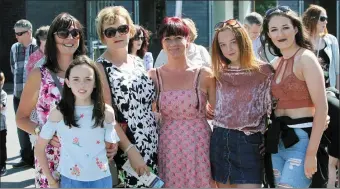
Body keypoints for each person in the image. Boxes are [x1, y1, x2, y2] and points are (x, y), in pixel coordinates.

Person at [16, 13, 116, 188]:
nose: (70, 37)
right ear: (53, 37)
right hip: (52, 160)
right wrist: (42, 131)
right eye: (63, 33)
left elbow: (104, 111)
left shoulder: (91, 71)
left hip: (89, 164)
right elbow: (21, 118)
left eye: (75, 33)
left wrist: (110, 141)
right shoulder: (39, 74)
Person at [261, 6, 328, 188]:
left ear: (296, 29)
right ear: (269, 34)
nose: (280, 33)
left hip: (302, 141)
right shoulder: (275, 63)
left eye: (285, 27)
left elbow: (322, 108)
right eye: (274, 29)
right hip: (278, 141)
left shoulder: (306, 59)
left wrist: (311, 154)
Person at [147, 17, 216, 188]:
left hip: (199, 142)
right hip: (168, 144)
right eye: (167, 39)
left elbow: (219, 113)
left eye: (178, 37)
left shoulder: (204, 74)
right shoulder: (153, 76)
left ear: (188, 39)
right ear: (162, 43)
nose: (173, 43)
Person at [35, 55, 121, 188]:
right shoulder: (58, 113)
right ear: (68, 82)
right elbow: (39, 148)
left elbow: (110, 147)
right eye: (76, 79)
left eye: (88, 79)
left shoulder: (107, 112)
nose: (82, 84)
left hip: (102, 180)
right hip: (70, 181)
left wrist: (113, 147)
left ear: (95, 83)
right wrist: (51, 180)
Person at [95, 6, 158, 188]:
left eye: (122, 29)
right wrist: (131, 151)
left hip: (153, 142)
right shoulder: (100, 68)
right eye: (110, 31)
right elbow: (107, 114)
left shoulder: (138, 62)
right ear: (103, 37)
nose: (117, 35)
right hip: (127, 147)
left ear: (130, 30)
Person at [209, 19, 273, 188]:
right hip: (220, 139)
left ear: (243, 41)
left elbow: (273, 109)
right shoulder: (218, 72)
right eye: (222, 45)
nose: (228, 49)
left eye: (233, 42)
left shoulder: (264, 71)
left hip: (250, 142)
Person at [10, 19, 38, 169]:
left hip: (34, 96)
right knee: (20, 126)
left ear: (28, 32)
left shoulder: (39, 47)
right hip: (17, 94)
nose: (16, 37)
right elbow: (13, 68)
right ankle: (26, 158)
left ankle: (36, 157)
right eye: (15, 33)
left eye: (19, 33)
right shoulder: (14, 48)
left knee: (35, 126)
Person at [302, 4, 339, 90]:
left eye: (326, 19)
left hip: (329, 91)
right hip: (307, 90)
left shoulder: (332, 40)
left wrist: (337, 92)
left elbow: (337, 71)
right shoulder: (301, 42)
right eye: (322, 19)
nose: (326, 22)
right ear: (312, 20)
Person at [0, 71, 8, 177]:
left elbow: (2, 106)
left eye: (1, 80)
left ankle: (2, 166)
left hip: (1, 127)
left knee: (1, 147)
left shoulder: (3, 94)